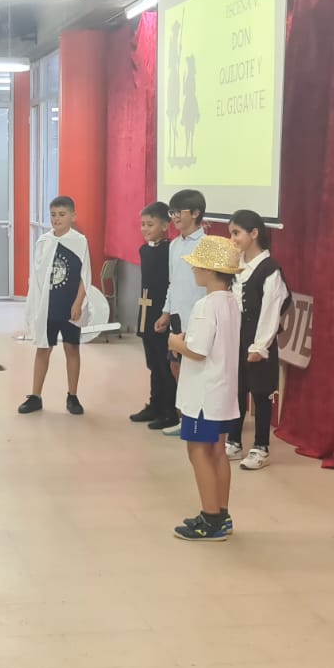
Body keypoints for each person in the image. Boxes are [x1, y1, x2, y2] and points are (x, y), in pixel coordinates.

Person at [167, 235, 242, 542]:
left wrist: (175, 342)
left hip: (202, 395)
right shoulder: (231, 302)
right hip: (223, 392)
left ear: (210, 270)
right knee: (218, 451)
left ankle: (210, 519)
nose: (194, 270)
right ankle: (221, 513)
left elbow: (197, 351)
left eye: (197, 265)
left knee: (198, 450)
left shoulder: (205, 304)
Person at [226, 210, 289, 470]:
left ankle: (261, 446)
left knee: (261, 393)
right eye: (231, 233)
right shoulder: (237, 265)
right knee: (237, 390)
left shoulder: (269, 269)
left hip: (258, 338)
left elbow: (271, 310)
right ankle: (233, 441)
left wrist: (260, 345)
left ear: (254, 233)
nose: (232, 239)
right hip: (237, 337)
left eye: (236, 233)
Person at [19, 196, 91, 415]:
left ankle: (73, 396)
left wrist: (78, 303)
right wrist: (34, 307)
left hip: (70, 306)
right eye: (53, 215)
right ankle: (35, 396)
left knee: (72, 348)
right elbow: (36, 277)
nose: (57, 219)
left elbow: (85, 276)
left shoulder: (79, 241)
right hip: (47, 306)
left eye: (62, 214)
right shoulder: (44, 241)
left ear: (73, 216)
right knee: (43, 348)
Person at [157, 189, 208, 431]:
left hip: (199, 318)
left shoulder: (207, 245)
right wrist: (166, 312)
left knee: (196, 370)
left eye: (179, 211)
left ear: (196, 213)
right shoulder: (175, 245)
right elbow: (173, 281)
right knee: (176, 366)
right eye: (172, 212)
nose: (174, 216)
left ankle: (200, 419)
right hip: (177, 317)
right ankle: (184, 417)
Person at [131, 202, 178, 431]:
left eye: (150, 224)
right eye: (143, 224)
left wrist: (166, 313)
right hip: (146, 311)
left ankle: (169, 410)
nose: (145, 229)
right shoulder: (144, 250)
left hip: (162, 312)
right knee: (152, 362)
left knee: (164, 363)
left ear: (165, 226)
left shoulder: (170, 251)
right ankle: (155, 404)